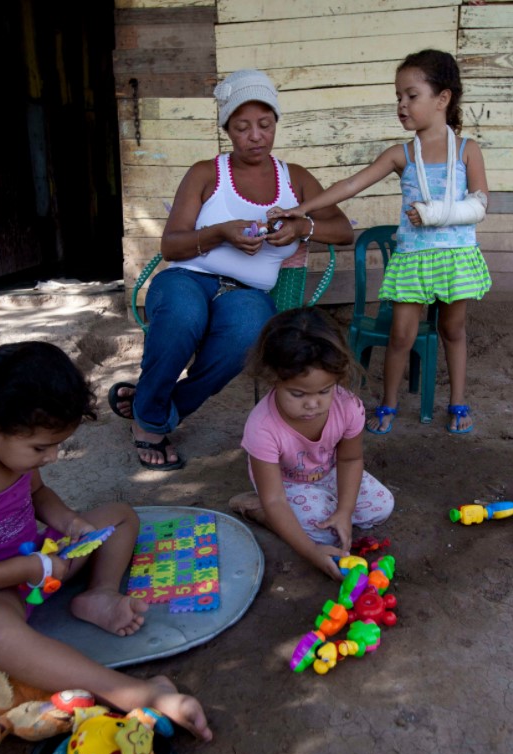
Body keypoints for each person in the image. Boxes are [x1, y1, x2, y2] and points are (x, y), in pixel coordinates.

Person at [0, 341, 212, 741]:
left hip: (40, 562)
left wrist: (70, 523)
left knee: (119, 516)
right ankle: (132, 691)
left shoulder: (12, 453)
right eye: (40, 447)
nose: (51, 457)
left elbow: (36, 495)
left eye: (56, 445)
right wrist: (25, 569)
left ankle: (98, 595)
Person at [109, 68, 353, 470]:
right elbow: (171, 244)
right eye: (242, 127)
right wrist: (221, 232)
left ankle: (154, 406)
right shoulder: (207, 172)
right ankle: (150, 423)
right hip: (187, 278)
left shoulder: (296, 179)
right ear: (227, 129)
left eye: (264, 124)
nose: (255, 135)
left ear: (276, 124)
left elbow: (344, 231)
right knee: (183, 316)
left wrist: (301, 226)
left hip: (247, 292)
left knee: (246, 336)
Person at [269, 49, 490, 436]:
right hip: (414, 259)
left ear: (443, 99)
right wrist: (300, 209)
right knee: (401, 335)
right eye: (398, 98)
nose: (401, 105)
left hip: (455, 257)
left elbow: (480, 203)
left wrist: (438, 213)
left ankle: (458, 401)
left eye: (411, 95)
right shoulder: (401, 155)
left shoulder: (468, 149)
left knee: (453, 331)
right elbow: (350, 185)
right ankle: (388, 403)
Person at [230, 308, 394, 580]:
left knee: (382, 505)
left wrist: (344, 510)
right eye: (297, 393)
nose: (312, 404)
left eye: (324, 391)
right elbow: (275, 497)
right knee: (318, 530)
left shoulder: (348, 407)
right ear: (274, 379)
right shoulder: (262, 427)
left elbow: (350, 460)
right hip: (283, 487)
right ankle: (255, 509)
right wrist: (311, 552)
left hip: (328, 474)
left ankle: (326, 509)